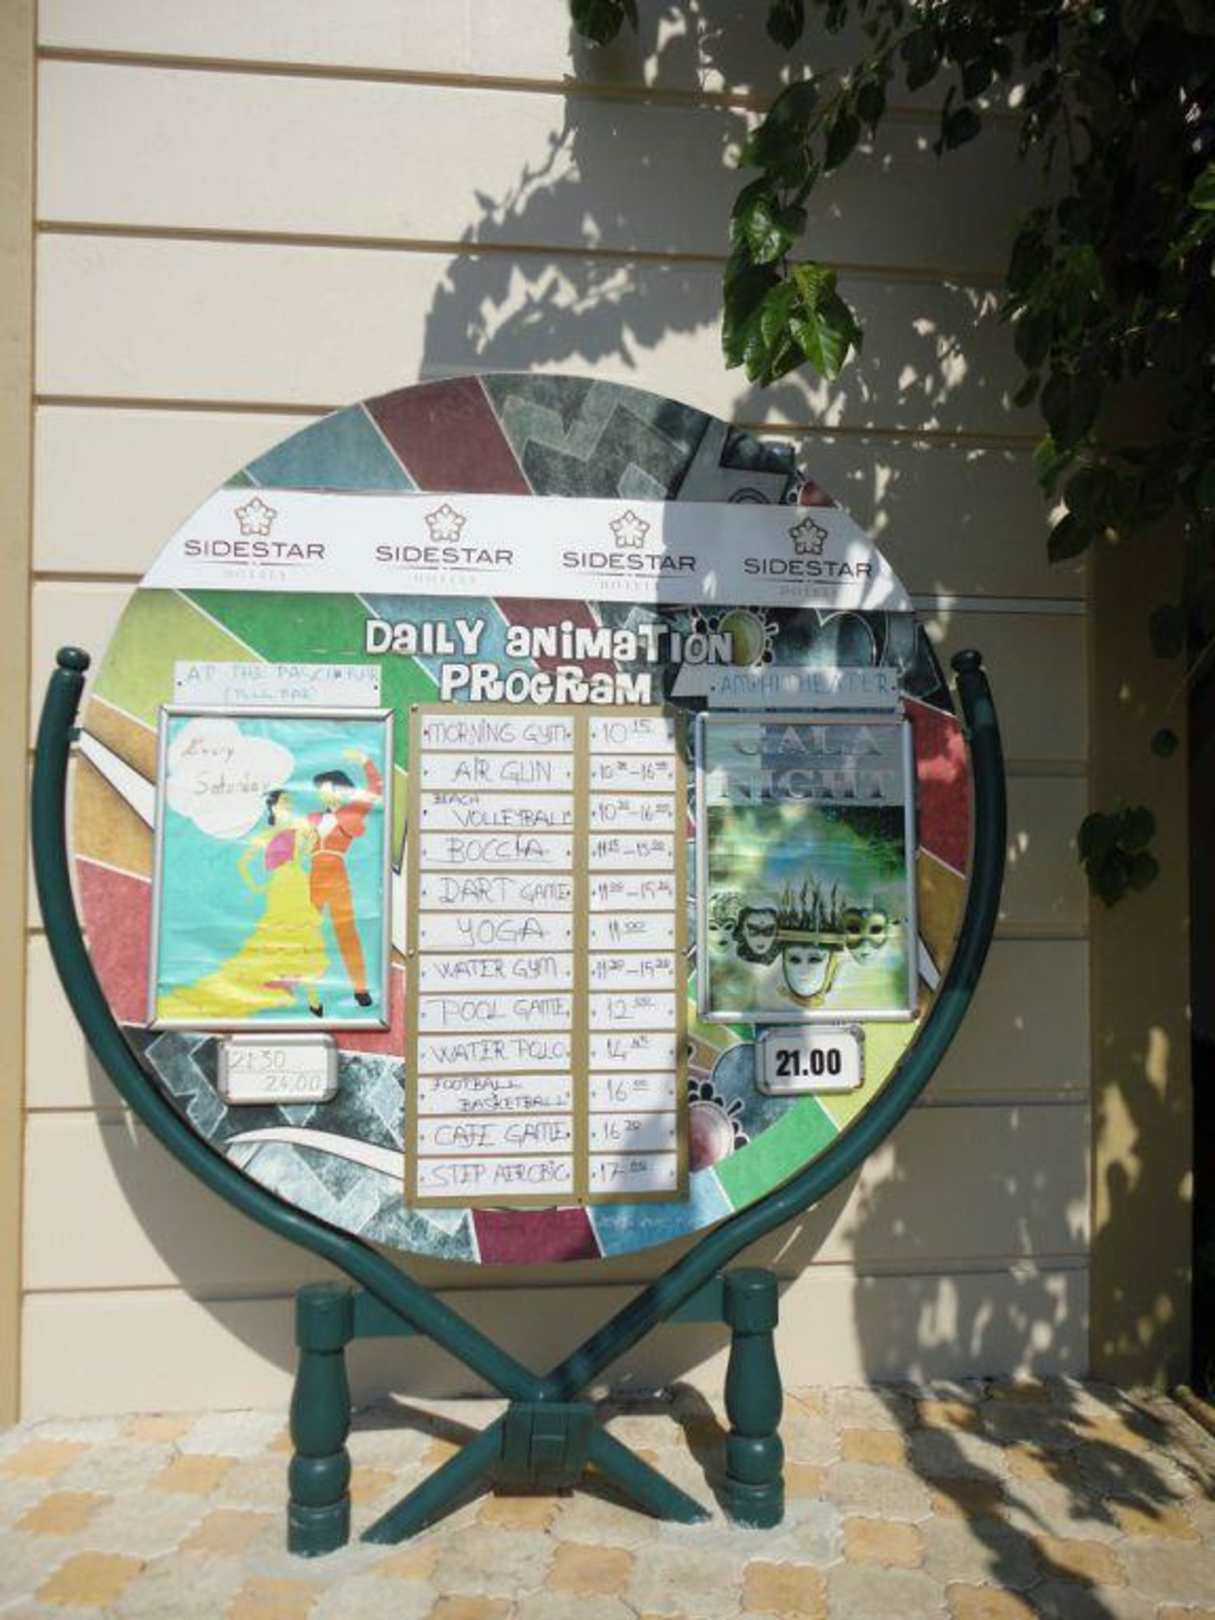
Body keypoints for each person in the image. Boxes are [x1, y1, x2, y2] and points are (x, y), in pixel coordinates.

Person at [157, 789, 329, 1023]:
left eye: (290, 802)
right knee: (285, 937)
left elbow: (310, 848)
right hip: (280, 888)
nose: (289, 806)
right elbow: (243, 863)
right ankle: (301, 994)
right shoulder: (266, 836)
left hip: (298, 884)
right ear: (273, 807)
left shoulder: (297, 830)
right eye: (284, 802)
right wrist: (257, 886)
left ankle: (311, 997)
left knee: (305, 937)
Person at [307, 748, 383, 1007]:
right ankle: (308, 990)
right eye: (320, 789)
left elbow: (375, 788)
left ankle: (360, 988)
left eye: (327, 788)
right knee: (307, 930)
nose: (322, 793)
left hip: (336, 874)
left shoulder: (351, 813)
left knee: (346, 932)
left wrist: (364, 761)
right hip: (313, 877)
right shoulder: (312, 817)